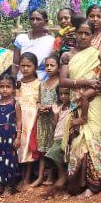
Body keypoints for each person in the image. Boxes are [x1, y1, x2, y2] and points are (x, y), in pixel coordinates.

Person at [60, 17, 101, 197]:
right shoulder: (67, 56)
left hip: (95, 101)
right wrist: (85, 81)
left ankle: (93, 184)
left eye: (86, 34)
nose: (82, 37)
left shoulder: (98, 54)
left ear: (92, 35)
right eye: (79, 33)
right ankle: (76, 185)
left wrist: (92, 87)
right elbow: (63, 81)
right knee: (77, 140)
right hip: (76, 103)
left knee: (94, 137)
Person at [0, 73, 21, 197]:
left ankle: (9, 186)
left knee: (9, 161)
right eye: (2, 86)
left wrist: (18, 137)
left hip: (10, 138)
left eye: (8, 86)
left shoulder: (15, 104)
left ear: (13, 89)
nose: (5, 89)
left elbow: (19, 121)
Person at [30, 54, 61, 186]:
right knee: (42, 149)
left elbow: (62, 101)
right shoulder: (42, 84)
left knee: (52, 149)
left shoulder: (60, 83)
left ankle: (52, 176)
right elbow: (38, 101)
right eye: (47, 65)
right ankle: (41, 176)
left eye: (52, 65)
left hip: (54, 121)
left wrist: (52, 107)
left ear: (59, 67)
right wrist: (39, 107)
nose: (49, 68)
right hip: (43, 120)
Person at [17, 52, 43, 188]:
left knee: (28, 147)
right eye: (22, 66)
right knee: (19, 147)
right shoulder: (17, 84)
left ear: (35, 67)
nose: (25, 69)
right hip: (18, 120)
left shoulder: (39, 84)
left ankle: (27, 178)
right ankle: (19, 176)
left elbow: (40, 102)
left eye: (28, 66)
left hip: (32, 119)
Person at [14, 9, 55, 80]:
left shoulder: (51, 40)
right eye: (32, 19)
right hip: (22, 79)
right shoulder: (21, 38)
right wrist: (14, 80)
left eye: (38, 19)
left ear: (46, 21)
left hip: (42, 79)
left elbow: (52, 63)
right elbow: (15, 64)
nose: (34, 22)